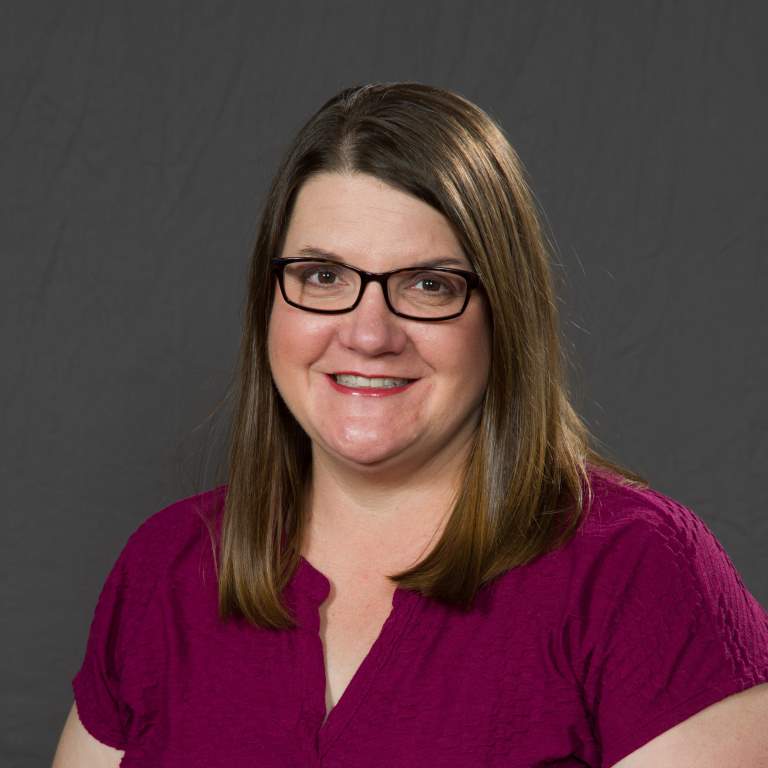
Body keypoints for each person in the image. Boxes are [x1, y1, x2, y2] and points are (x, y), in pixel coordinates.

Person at [52, 82, 768, 767]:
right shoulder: (165, 569)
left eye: (429, 285)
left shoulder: (641, 575)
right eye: (323, 276)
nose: (368, 334)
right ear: (270, 301)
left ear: (503, 314)